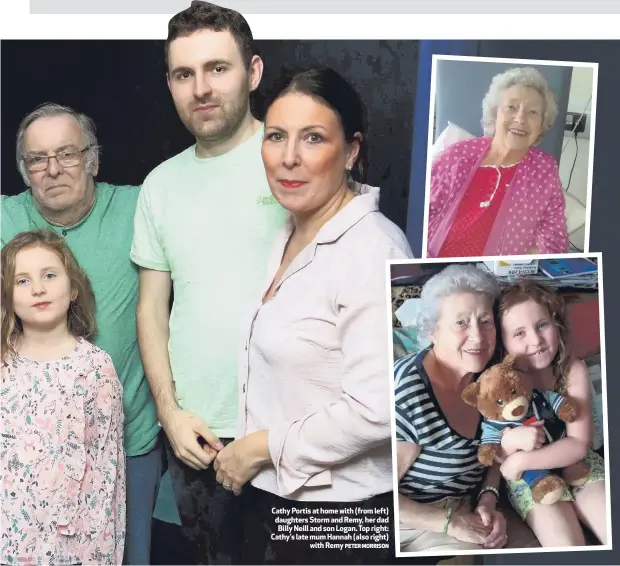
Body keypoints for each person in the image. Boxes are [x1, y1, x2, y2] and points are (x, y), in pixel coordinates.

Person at [210, 65, 412, 564]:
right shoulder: (292, 230)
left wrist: (259, 448)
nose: (289, 158)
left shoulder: (373, 248)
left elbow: (379, 408)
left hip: (341, 519)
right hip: (275, 506)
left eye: (313, 138)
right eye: (276, 136)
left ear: (351, 151)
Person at [130, 2, 287, 562]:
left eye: (218, 68)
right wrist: (171, 413)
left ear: (254, 72)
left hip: (289, 434)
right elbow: (152, 308)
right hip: (199, 436)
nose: (201, 88)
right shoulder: (160, 186)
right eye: (183, 73)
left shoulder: (295, 160)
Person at [1, 103, 161, 565]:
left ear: (93, 158)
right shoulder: (3, 217)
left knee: (123, 553)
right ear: (23, 170)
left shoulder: (139, 206)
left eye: (67, 153)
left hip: (126, 443)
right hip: (25, 459)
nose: (52, 169)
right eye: (37, 158)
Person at [1, 229, 125, 565]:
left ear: (72, 289)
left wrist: (102, 553)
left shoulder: (95, 368)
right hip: (9, 539)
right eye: (22, 281)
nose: (38, 288)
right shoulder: (2, 364)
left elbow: (106, 470)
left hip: (72, 543)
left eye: (49, 275)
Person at [394, 264, 508, 557]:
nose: (478, 337)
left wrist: (488, 498)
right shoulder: (407, 394)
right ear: (432, 330)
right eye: (461, 323)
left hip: (463, 507)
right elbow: (376, 495)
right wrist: (451, 523)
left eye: (485, 321)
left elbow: (494, 450)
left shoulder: (492, 378)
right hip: (412, 519)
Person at [497, 281, 607, 547]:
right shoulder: (498, 382)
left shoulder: (572, 371)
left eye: (542, 325)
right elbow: (493, 450)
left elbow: (579, 443)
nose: (535, 340)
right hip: (531, 479)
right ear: (503, 342)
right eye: (519, 333)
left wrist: (522, 460)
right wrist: (509, 444)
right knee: (565, 546)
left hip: (576, 464)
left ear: (555, 325)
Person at [426, 67, 569, 258]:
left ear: (542, 124)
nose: (520, 118)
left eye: (532, 112)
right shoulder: (458, 155)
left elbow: (555, 238)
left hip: (497, 280)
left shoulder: (544, 170)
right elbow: (425, 213)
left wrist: (525, 263)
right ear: (495, 113)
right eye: (511, 107)